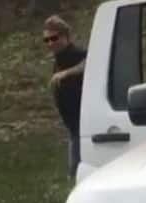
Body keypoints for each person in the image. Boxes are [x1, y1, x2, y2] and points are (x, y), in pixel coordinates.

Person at [43, 15, 87, 180]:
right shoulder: (59, 58)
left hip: (82, 121)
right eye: (46, 40)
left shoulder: (74, 54)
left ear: (66, 36)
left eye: (54, 38)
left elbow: (91, 61)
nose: (50, 43)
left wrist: (66, 73)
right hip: (72, 124)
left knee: (76, 171)